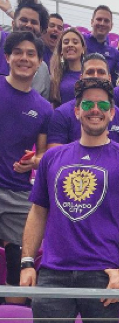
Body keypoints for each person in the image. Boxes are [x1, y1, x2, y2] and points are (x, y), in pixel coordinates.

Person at [20, 77, 119, 323]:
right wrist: (27, 262)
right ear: (77, 111)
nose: (96, 109)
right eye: (88, 104)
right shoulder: (52, 159)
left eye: (103, 104)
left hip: (103, 276)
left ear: (112, 112)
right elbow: (38, 211)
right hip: (54, 273)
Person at [0, 31, 52, 303]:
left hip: (18, 192)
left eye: (31, 53)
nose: (24, 58)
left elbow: (43, 155)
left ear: (39, 62)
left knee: (20, 262)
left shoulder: (44, 108)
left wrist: (33, 162)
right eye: (17, 52)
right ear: (7, 57)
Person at [47, 53, 119, 148]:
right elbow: (56, 157)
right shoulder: (62, 114)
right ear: (81, 78)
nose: (95, 76)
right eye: (90, 72)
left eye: (101, 72)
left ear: (109, 78)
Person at [0, 0, 51, 100]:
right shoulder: (1, 40)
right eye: (23, 20)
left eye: (34, 22)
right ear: (13, 23)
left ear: (41, 30)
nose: (28, 25)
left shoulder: (43, 69)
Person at [84, 5, 119, 85]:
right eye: (99, 19)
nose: (102, 23)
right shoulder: (80, 41)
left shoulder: (114, 53)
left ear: (111, 26)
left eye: (106, 21)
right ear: (92, 22)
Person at [49, 27, 86, 106]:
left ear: (83, 49)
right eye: (66, 42)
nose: (70, 45)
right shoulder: (56, 76)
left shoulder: (91, 74)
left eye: (75, 42)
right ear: (61, 50)